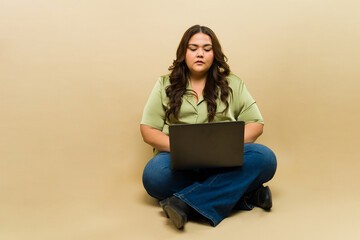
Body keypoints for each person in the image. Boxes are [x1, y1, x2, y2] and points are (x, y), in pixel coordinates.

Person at [140, 25, 277, 229]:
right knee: (154, 175)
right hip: (178, 161)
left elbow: (256, 124)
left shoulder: (233, 84)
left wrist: (225, 147)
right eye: (193, 48)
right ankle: (246, 194)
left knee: (265, 157)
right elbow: (148, 130)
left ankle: (183, 204)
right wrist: (182, 149)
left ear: (215, 54)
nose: (200, 54)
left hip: (224, 162)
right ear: (183, 53)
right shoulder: (164, 84)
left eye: (207, 48)